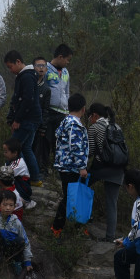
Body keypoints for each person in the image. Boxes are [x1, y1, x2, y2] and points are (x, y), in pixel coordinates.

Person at [86, 103, 126, 242]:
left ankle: (84, 218)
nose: (89, 120)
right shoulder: (116, 126)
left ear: (95, 115)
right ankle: (110, 237)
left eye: (90, 117)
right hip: (118, 168)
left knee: (81, 185)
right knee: (112, 203)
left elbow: (90, 152)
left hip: (102, 168)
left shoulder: (94, 127)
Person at [52, 93, 90, 236]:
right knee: (70, 197)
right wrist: (82, 167)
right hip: (71, 167)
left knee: (72, 197)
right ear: (83, 109)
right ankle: (57, 227)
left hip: (65, 166)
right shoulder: (74, 124)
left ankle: (77, 226)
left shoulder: (65, 121)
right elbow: (76, 147)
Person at [4, 50, 43, 185]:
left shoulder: (27, 77)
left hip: (28, 119)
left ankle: (7, 176)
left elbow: (27, 100)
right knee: (25, 148)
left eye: (11, 67)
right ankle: (34, 178)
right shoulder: (25, 76)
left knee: (12, 148)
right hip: (31, 118)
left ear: (18, 62)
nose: (10, 70)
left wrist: (17, 120)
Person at [0, 189, 33, 269]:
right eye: (5, 205)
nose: (8, 208)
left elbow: (26, 241)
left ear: (14, 206)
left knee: (20, 240)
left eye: (11, 205)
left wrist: (27, 261)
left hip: (12, 251)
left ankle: (16, 262)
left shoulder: (17, 222)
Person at [0, 138, 33, 210]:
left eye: (6, 152)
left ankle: (23, 201)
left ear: (15, 153)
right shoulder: (10, 161)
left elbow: (4, 174)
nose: (4, 154)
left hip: (22, 192)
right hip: (17, 190)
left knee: (5, 178)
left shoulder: (19, 164)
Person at [44, 44, 72, 143]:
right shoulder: (45, 69)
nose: (68, 62)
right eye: (67, 59)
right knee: (46, 142)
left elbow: (67, 92)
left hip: (61, 113)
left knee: (59, 142)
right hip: (49, 112)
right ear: (60, 57)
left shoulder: (66, 72)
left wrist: (67, 110)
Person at [33, 56, 53, 175]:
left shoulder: (46, 89)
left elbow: (46, 110)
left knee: (37, 150)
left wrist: (43, 127)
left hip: (38, 125)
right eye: (38, 65)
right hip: (26, 123)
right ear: (33, 67)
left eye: (43, 66)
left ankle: (36, 173)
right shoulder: (29, 83)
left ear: (46, 69)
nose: (41, 68)